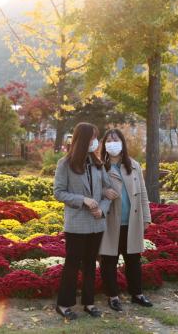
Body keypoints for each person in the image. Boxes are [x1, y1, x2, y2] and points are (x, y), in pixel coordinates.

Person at [53, 122, 114, 320]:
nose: (95, 142)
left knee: (90, 264)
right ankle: (64, 304)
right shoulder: (65, 164)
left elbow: (108, 191)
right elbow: (59, 192)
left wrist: (102, 210)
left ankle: (89, 302)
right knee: (72, 264)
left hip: (96, 224)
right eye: (92, 137)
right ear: (82, 139)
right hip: (77, 224)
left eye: (96, 138)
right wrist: (83, 200)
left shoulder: (97, 163)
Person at [98, 128, 153, 312]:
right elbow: (91, 191)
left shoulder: (134, 165)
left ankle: (137, 294)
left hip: (132, 221)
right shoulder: (99, 166)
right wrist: (104, 192)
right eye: (109, 140)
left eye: (116, 139)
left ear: (122, 142)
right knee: (108, 260)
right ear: (104, 144)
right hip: (109, 222)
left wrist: (146, 217)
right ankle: (113, 296)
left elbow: (143, 193)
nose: (112, 143)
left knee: (133, 260)